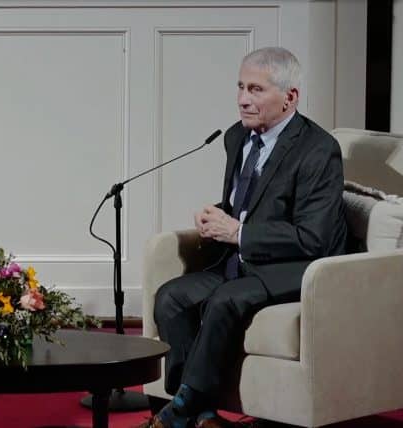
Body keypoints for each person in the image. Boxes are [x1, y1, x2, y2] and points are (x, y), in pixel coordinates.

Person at [146, 47, 347, 428]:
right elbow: (251, 200)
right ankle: (200, 413)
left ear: (290, 97)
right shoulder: (237, 137)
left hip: (295, 268)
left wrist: (239, 232)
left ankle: (180, 409)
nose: (242, 99)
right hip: (239, 262)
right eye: (240, 86)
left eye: (255, 89)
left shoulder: (319, 150)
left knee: (224, 300)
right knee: (171, 297)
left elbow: (314, 237)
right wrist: (217, 215)